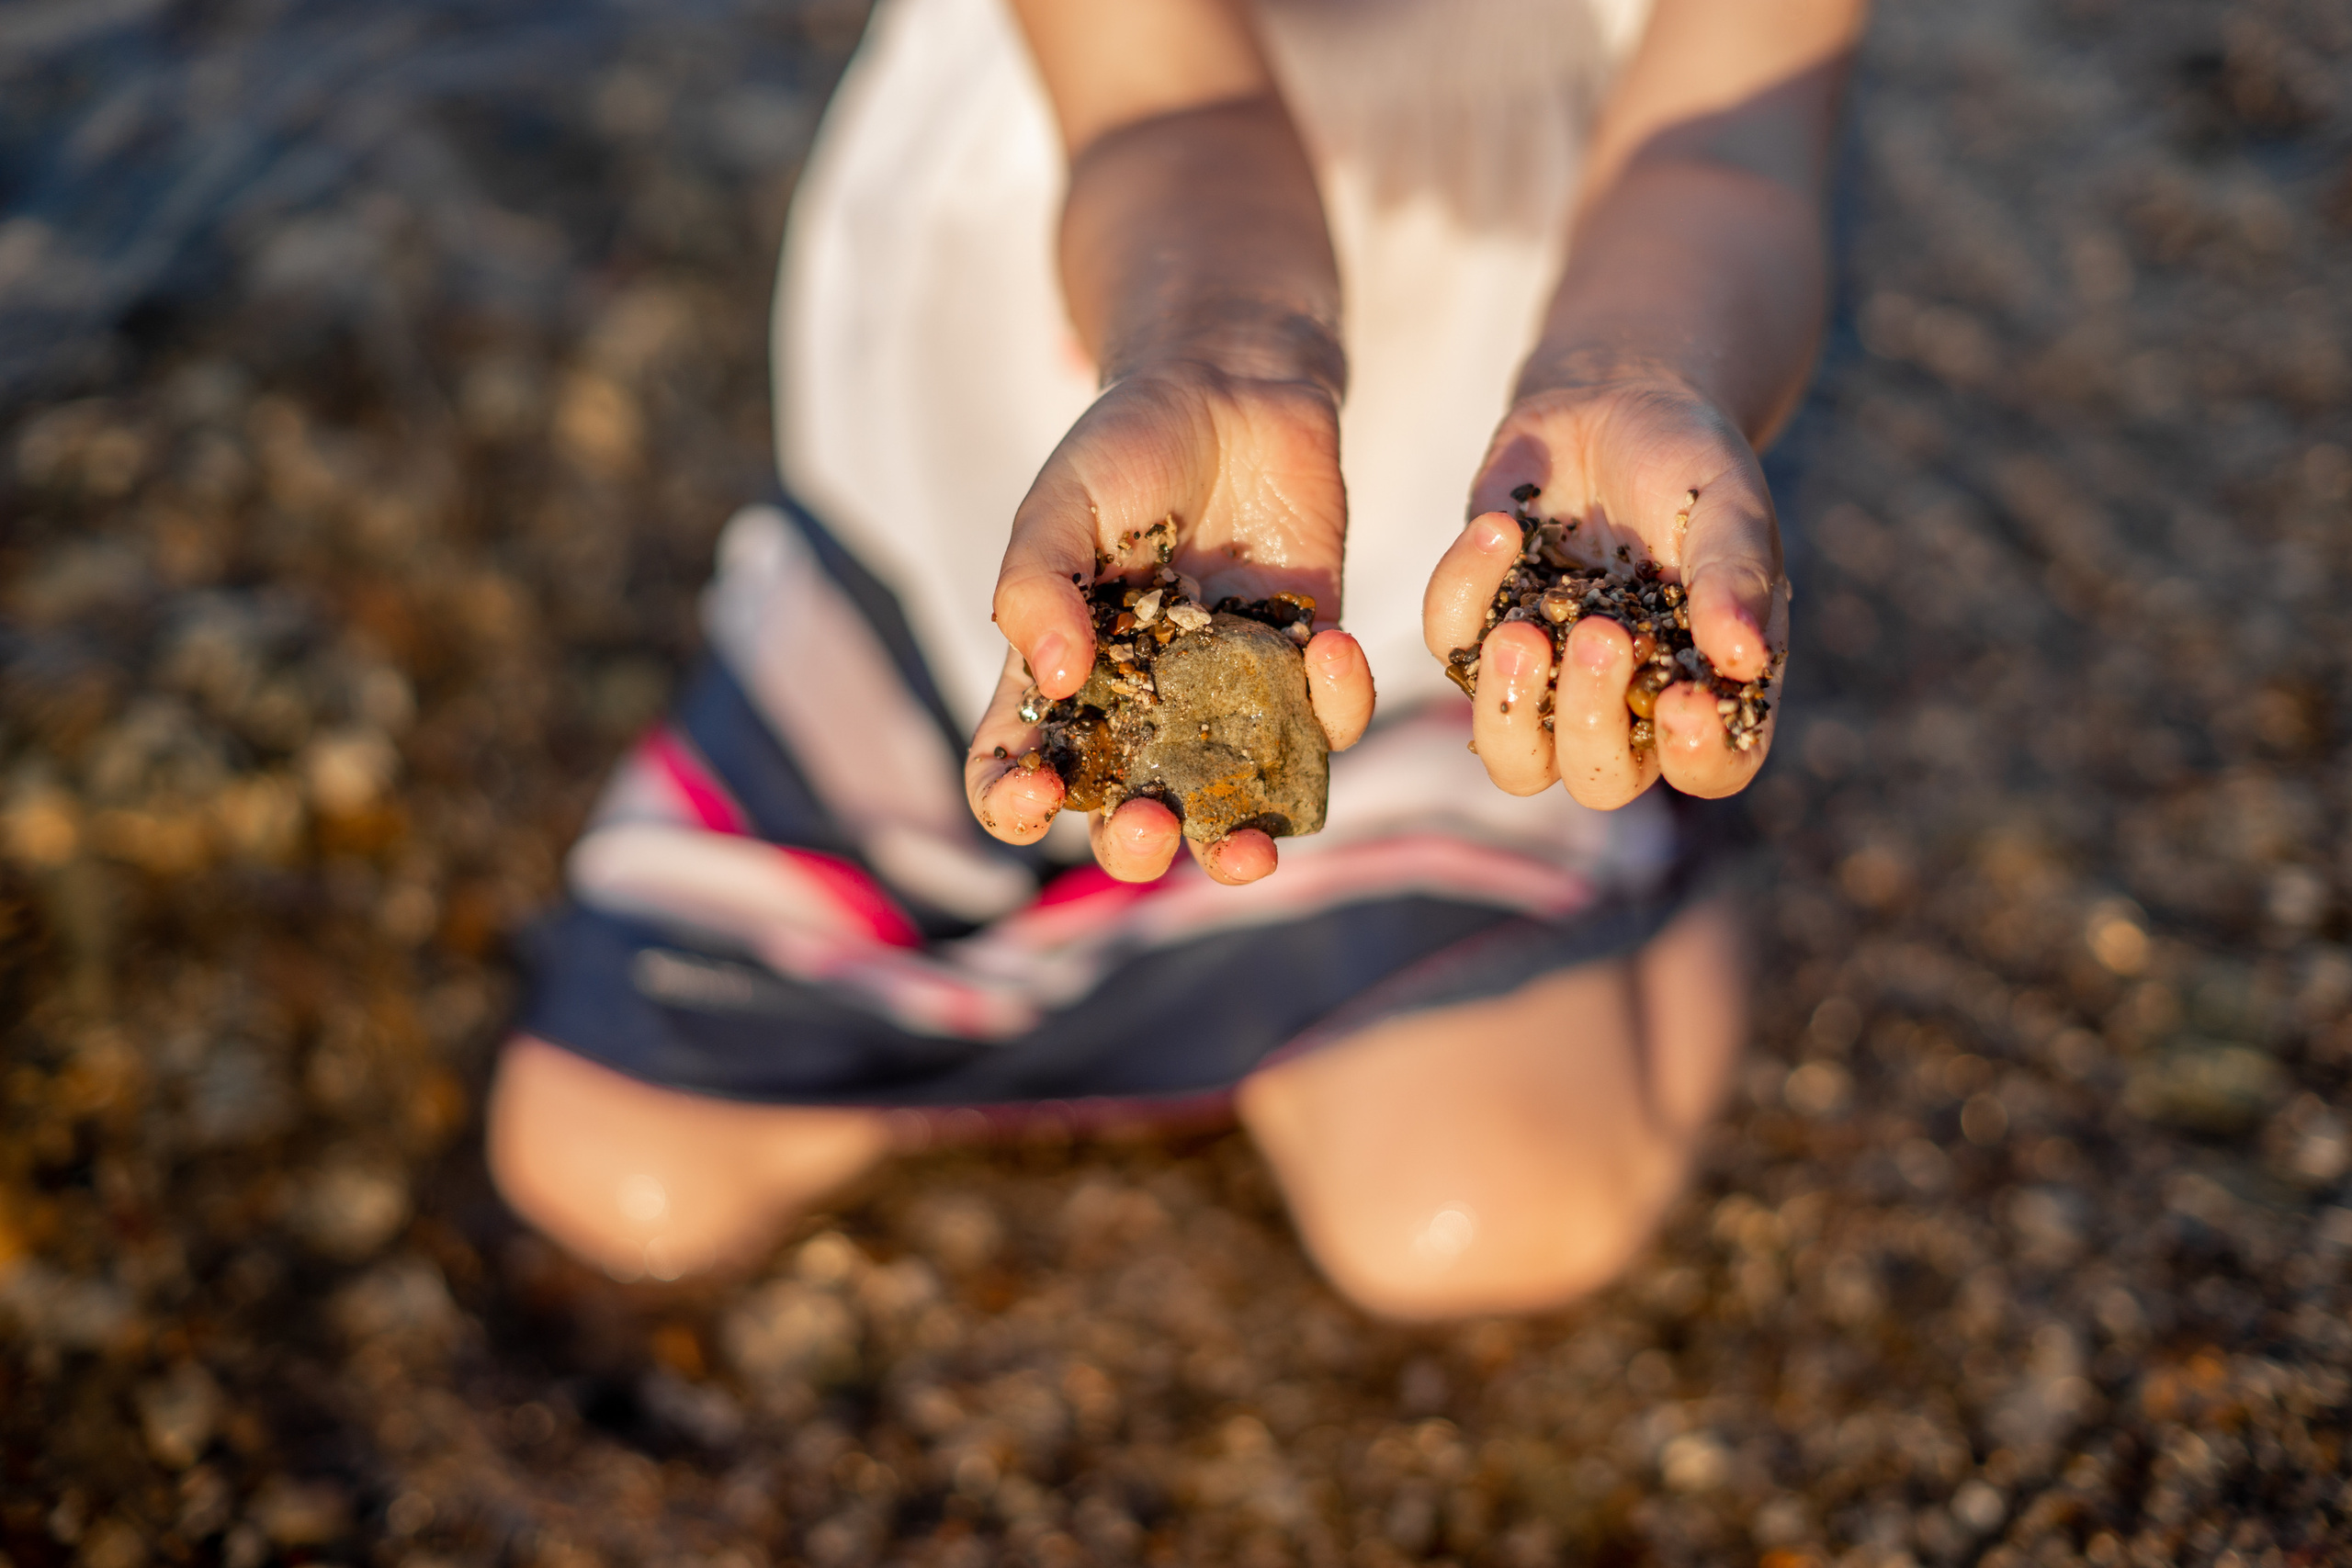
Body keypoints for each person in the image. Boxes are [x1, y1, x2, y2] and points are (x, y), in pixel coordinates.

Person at [488, 0, 1863, 1319]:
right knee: (612, 1172)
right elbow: (1166, 109)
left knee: (1483, 1214)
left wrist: (1646, 378)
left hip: (1468, 535)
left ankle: (1618, 865)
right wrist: (1230, 353)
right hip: (1039, 435)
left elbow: (1724, 153)